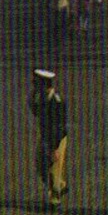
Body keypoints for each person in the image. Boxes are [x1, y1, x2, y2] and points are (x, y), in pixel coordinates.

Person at [29, 69, 68, 208]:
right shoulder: (42, 98)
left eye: (36, 83)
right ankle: (61, 186)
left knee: (54, 168)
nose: (34, 86)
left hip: (57, 138)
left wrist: (55, 148)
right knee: (40, 165)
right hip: (46, 136)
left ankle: (55, 200)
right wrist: (32, 96)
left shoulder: (57, 101)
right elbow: (35, 112)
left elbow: (61, 126)